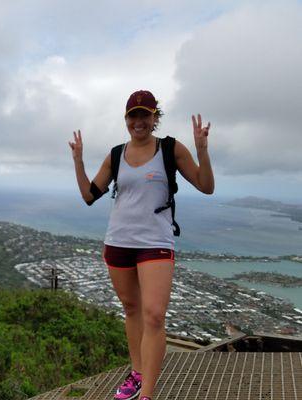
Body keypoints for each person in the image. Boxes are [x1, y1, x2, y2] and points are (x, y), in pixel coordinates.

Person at [68, 90, 214, 400]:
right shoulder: (117, 154)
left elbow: (206, 186)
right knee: (132, 310)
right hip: (118, 241)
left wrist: (202, 150)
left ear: (154, 117)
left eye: (144, 115)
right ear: (126, 119)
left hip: (156, 242)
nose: (139, 121)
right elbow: (90, 195)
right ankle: (137, 372)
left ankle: (147, 393)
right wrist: (78, 162)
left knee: (154, 315)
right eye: (133, 115)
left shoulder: (170, 149)